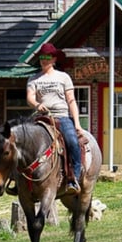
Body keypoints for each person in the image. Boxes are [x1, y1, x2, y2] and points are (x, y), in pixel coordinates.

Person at [27, 42, 84, 194]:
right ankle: (17, 180)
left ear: (54, 59)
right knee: (22, 140)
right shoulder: (34, 79)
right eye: (41, 57)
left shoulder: (63, 77)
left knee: (72, 141)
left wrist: (77, 124)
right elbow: (30, 97)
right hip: (41, 116)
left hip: (61, 117)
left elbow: (71, 100)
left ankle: (74, 178)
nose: (44, 60)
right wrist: (37, 105)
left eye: (47, 57)